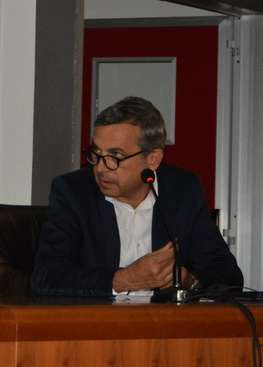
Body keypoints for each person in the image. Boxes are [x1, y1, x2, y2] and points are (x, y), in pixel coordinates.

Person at [32, 96, 242, 297]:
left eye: (116, 156)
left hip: (165, 319)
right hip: (99, 318)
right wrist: (125, 279)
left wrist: (189, 281)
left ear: (153, 159)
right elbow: (46, 276)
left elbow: (228, 274)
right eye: (96, 152)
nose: (101, 168)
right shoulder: (73, 191)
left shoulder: (183, 190)